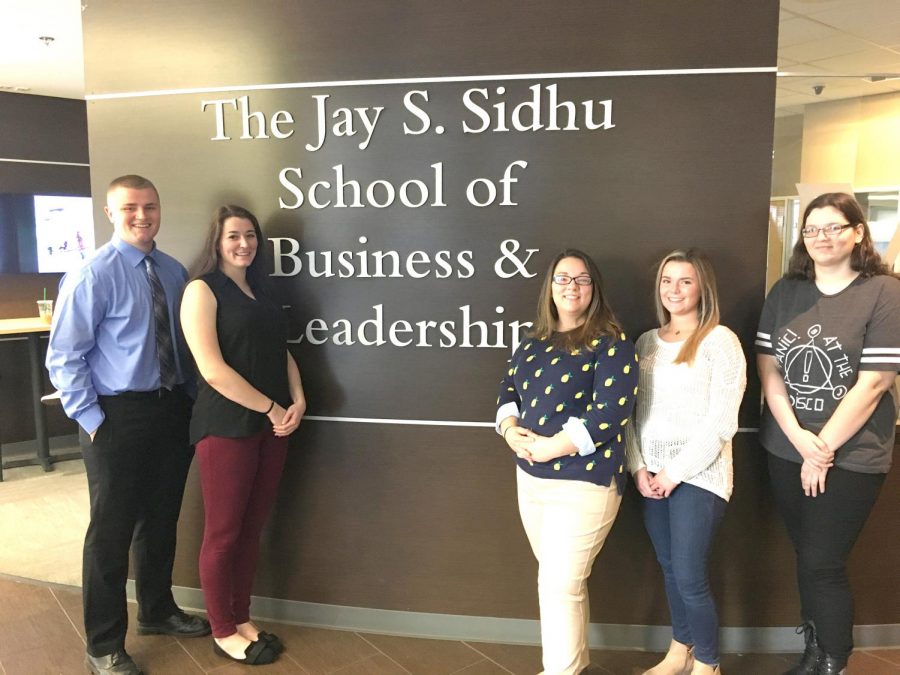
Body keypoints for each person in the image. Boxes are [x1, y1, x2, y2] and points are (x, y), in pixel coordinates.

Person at [46, 175, 210, 675]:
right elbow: (64, 358)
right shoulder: (92, 273)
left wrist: (191, 401)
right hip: (115, 416)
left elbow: (184, 345)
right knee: (110, 534)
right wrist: (94, 421)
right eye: (131, 208)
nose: (143, 215)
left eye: (151, 206)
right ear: (110, 213)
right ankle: (103, 645)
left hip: (169, 411)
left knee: (161, 519)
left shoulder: (173, 271)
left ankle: (157, 611)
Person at [755, 193, 900, 675]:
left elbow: (876, 380)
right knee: (806, 556)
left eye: (834, 227)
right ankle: (814, 650)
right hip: (786, 448)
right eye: (812, 229)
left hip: (853, 455)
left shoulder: (884, 291)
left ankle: (833, 659)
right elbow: (769, 367)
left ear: (859, 231)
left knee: (823, 561)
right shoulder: (786, 291)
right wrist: (797, 436)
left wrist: (821, 450)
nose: (822, 237)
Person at [497, 249, 638, 675]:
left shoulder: (612, 343)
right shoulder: (532, 341)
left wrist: (553, 447)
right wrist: (509, 429)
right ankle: (572, 667)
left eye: (581, 279)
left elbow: (610, 412)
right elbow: (508, 390)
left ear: (594, 289)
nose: (571, 287)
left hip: (585, 482)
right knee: (562, 586)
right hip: (532, 480)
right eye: (563, 278)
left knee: (558, 584)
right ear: (550, 287)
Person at [180, 205, 306, 666]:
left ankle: (241, 616)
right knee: (223, 533)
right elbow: (212, 371)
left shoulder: (262, 290)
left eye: (250, 235)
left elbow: (281, 352)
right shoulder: (201, 290)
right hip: (227, 427)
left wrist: (297, 398)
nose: (244, 244)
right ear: (217, 240)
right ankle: (221, 629)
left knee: (251, 530)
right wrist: (273, 406)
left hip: (273, 425)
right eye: (234, 235)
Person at [625, 249, 746, 675]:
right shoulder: (645, 343)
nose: (674, 290)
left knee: (691, 573)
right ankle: (681, 649)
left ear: (702, 288)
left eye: (685, 281)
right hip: (649, 477)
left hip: (700, 474)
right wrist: (639, 468)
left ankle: (708, 663)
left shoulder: (720, 341)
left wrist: (673, 473)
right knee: (670, 567)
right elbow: (633, 414)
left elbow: (721, 421)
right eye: (666, 281)